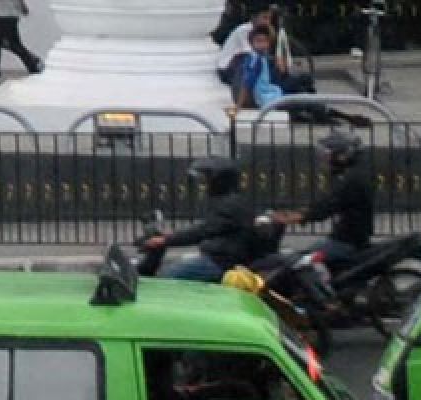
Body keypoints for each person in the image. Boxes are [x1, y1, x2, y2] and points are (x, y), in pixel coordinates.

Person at [142, 158, 257, 283]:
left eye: (207, 179)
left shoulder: (231, 205)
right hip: (218, 257)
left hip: (222, 262)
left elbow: (202, 231)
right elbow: (206, 227)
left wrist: (165, 240)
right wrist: (169, 236)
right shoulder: (227, 201)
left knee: (165, 278)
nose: (205, 184)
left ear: (219, 181)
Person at [272, 131, 373, 271]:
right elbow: (327, 202)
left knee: (299, 262)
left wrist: (298, 217)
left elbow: (327, 207)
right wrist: (301, 212)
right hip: (348, 239)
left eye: (328, 155)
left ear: (342, 156)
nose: (325, 159)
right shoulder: (351, 176)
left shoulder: (351, 180)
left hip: (347, 243)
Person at [217, 5, 272, 88]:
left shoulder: (262, 31)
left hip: (237, 66)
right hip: (227, 67)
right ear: (254, 18)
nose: (267, 22)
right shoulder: (244, 30)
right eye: (264, 18)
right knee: (249, 58)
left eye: (269, 18)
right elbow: (250, 51)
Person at [237, 25, 284, 110]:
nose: (262, 44)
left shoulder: (263, 57)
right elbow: (247, 82)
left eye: (265, 41)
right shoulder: (255, 60)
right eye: (258, 41)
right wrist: (239, 105)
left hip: (269, 91)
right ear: (251, 43)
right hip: (264, 97)